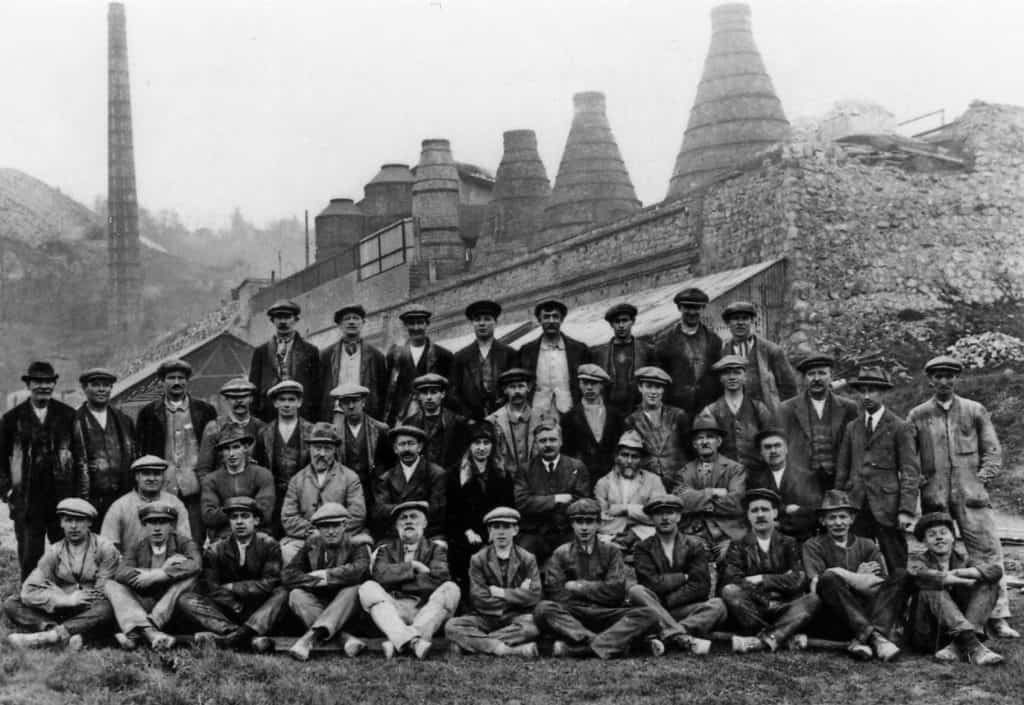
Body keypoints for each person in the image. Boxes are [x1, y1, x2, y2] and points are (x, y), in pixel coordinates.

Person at [907, 355, 1019, 639]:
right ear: (930, 380)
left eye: (949, 376)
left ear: (956, 378)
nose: (944, 381)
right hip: (935, 497)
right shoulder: (918, 414)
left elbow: (992, 449)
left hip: (972, 497)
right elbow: (908, 455)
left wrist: (981, 478)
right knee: (937, 551)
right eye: (938, 376)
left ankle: (998, 616)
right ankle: (942, 612)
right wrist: (919, 478)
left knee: (988, 552)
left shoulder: (974, 409)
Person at [533, 498, 659, 659]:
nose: (584, 527)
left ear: (599, 524)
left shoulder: (612, 551)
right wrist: (598, 590)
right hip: (574, 615)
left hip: (605, 613)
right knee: (543, 609)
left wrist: (579, 586)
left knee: (649, 614)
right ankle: (605, 643)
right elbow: (557, 593)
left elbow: (615, 590)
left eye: (589, 522)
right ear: (572, 524)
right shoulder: (561, 553)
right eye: (579, 522)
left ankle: (581, 649)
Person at [835, 366, 920, 575]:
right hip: (856, 505)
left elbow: (910, 471)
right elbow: (842, 469)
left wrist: (906, 510)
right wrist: (839, 504)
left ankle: (899, 602)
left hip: (887, 508)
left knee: (896, 562)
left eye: (872, 391)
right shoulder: (852, 428)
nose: (866, 396)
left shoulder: (900, 427)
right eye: (862, 391)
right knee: (856, 560)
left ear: (883, 393)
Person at [0, 361, 80, 579]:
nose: (43, 386)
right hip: (27, 500)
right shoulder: (12, 419)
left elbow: (79, 455)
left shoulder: (68, 415)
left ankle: (64, 596)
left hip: (60, 497)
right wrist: (7, 491)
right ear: (29, 385)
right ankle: (29, 599)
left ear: (54, 384)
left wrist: (76, 495)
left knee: (63, 552)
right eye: (38, 382)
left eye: (48, 382)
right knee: (30, 555)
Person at [177, 496, 288, 652]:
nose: (239, 522)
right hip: (228, 609)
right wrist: (235, 606)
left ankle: (233, 639)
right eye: (234, 517)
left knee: (282, 593)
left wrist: (233, 587)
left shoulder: (269, 545)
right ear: (229, 522)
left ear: (256, 521)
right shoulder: (215, 549)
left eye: (245, 516)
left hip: (259, 609)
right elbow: (211, 588)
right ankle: (241, 636)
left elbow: (269, 584)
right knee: (187, 599)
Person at [4, 498, 118, 650]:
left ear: (89, 522)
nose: (73, 526)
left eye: (79, 520)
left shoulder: (104, 548)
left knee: (108, 608)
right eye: (68, 520)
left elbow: (102, 592)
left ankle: (54, 635)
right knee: (12, 603)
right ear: (61, 523)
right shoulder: (54, 551)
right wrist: (66, 600)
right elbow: (29, 589)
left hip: (91, 607)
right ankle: (58, 631)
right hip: (62, 606)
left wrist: (79, 600)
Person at [801, 490, 902, 661]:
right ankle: (874, 638)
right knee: (828, 578)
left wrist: (849, 579)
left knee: (901, 575)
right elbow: (818, 585)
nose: (838, 522)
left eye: (843, 516)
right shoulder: (813, 546)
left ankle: (862, 638)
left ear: (852, 519)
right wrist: (858, 577)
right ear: (823, 521)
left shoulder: (867, 545)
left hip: (867, 609)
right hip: (835, 615)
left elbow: (879, 585)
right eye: (832, 518)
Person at [358, 501, 462, 660]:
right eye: (403, 518)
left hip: (425, 608)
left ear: (425, 523)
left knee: (451, 588)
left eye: (414, 517)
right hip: (394, 608)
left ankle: (399, 640)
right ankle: (415, 641)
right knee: (367, 587)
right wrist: (413, 567)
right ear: (396, 526)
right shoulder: (385, 550)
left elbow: (439, 578)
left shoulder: (436, 549)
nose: (408, 521)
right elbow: (379, 576)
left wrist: (397, 578)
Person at [720, 488, 820, 653]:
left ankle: (763, 639)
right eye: (754, 510)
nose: (760, 515)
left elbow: (798, 579)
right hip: (754, 608)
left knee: (812, 600)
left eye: (765, 509)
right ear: (748, 515)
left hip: (784, 606)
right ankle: (782, 635)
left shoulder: (789, 543)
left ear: (774, 513)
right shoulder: (738, 545)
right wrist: (774, 587)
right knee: (730, 591)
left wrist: (762, 579)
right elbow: (733, 579)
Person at [627, 494, 725, 654]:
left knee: (718, 605)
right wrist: (683, 577)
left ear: (679, 516)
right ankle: (684, 638)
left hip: (680, 609)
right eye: (659, 514)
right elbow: (650, 584)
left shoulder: (694, 545)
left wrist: (668, 600)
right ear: (651, 518)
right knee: (636, 591)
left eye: (670, 513)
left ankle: (669, 633)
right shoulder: (643, 548)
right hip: (654, 607)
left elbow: (700, 587)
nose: (665, 518)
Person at [904, 512, 1004, 665]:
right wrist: (960, 581)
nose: (939, 537)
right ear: (924, 541)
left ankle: (958, 645)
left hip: (957, 630)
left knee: (989, 584)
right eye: (931, 535)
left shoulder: (964, 560)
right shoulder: (917, 560)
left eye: (944, 533)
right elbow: (922, 575)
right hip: (928, 633)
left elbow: (996, 570)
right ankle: (973, 646)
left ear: (953, 538)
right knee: (931, 587)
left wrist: (961, 572)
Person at [135, 358, 217, 543]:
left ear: (188, 381)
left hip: (195, 488)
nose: (177, 382)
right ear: (162, 382)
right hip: (163, 487)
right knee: (163, 538)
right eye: (171, 378)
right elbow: (141, 452)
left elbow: (213, 450)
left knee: (194, 539)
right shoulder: (149, 413)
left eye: (181, 378)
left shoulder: (204, 410)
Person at [445, 506, 542, 657]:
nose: (501, 532)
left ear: (515, 530)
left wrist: (501, 593)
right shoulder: (478, 559)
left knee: (532, 627)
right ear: (490, 531)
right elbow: (479, 598)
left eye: (506, 527)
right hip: (485, 616)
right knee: (452, 626)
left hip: (515, 617)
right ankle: (506, 649)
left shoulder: (527, 558)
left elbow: (535, 595)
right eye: (496, 527)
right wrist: (518, 595)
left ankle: (471, 644)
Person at [105, 502, 201, 651]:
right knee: (111, 585)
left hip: (171, 606)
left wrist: (163, 574)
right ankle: (150, 633)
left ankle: (143, 631)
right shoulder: (137, 546)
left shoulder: (184, 543)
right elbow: (121, 572)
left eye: (163, 522)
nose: (157, 528)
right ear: (144, 525)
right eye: (151, 522)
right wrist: (153, 573)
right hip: (145, 602)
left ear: (171, 526)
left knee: (191, 577)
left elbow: (196, 563)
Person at [282, 502, 372, 661]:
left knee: (353, 590)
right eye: (324, 527)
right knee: (296, 595)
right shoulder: (312, 544)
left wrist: (326, 576)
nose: (331, 531)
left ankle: (307, 639)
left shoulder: (358, 544)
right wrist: (315, 579)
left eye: (335, 525)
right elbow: (288, 575)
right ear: (317, 529)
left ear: (344, 525)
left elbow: (359, 572)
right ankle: (344, 638)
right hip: (320, 605)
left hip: (348, 611)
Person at [445, 421, 515, 591]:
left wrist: (495, 531)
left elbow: (508, 508)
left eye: (486, 443)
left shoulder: (502, 474)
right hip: (465, 532)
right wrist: (467, 531)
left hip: (495, 529)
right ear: (469, 446)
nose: (481, 448)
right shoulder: (455, 474)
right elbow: (451, 512)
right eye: (476, 443)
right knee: (464, 556)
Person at [281, 423, 366, 562]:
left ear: (335, 451)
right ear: (309, 449)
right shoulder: (297, 480)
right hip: (306, 538)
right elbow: (288, 517)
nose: (322, 453)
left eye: (327, 448)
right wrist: (313, 532)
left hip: (341, 537)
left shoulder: (350, 477)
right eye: (317, 448)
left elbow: (357, 514)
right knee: (287, 551)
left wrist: (332, 532)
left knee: (360, 550)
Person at [777, 354, 858, 493]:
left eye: (822, 373)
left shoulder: (849, 407)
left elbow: (856, 446)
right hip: (801, 481)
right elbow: (782, 445)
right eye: (811, 374)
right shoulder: (787, 408)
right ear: (804, 379)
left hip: (838, 480)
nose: (816, 379)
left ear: (831, 376)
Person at [514, 420, 591, 564]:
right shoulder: (525, 470)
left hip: (566, 532)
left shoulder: (577, 467)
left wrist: (538, 501)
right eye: (542, 441)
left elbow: (582, 503)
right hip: (534, 533)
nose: (548, 444)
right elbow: (522, 503)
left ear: (561, 441)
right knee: (521, 560)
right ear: (536, 444)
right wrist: (556, 499)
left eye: (552, 440)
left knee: (579, 561)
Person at [673, 416, 747, 563]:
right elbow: (680, 502)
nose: (705, 442)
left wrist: (698, 501)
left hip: (727, 532)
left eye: (710, 437)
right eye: (700, 438)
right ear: (694, 444)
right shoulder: (684, 472)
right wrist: (711, 493)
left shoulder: (735, 469)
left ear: (719, 442)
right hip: (694, 532)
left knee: (731, 558)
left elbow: (736, 502)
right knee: (695, 558)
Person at [71, 367, 137, 526]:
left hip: (121, 498)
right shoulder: (73, 421)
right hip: (88, 500)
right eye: (95, 384)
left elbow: (134, 458)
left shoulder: (124, 421)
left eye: (106, 385)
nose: (102, 389)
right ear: (85, 388)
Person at [252, 380, 313, 536]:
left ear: (299, 402)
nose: (287, 404)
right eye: (282, 399)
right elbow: (257, 468)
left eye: (291, 400)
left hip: (303, 494)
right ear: (275, 403)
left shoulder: (311, 431)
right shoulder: (264, 433)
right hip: (274, 497)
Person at [698, 355, 775, 471]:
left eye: (737, 372)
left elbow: (771, 440)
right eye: (727, 373)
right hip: (723, 474)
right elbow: (705, 448)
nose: (732, 377)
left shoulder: (759, 408)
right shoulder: (710, 411)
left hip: (758, 473)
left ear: (745, 377)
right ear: (720, 378)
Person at [747, 429, 824, 543]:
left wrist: (777, 524)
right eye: (767, 447)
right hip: (767, 540)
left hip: (801, 540)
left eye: (777, 445)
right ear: (761, 453)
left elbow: (813, 515)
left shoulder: (807, 477)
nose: (773, 451)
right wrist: (788, 510)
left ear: (786, 449)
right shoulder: (754, 480)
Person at [249, 299, 320, 422]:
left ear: (296, 319)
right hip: (269, 414)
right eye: (278, 317)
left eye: (287, 317)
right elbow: (254, 387)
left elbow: (316, 389)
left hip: (302, 414)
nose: (283, 321)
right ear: (272, 320)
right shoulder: (261, 351)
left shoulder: (310, 351)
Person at [719, 301, 797, 414]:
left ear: (752, 321)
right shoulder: (722, 353)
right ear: (728, 323)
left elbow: (789, 388)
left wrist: (786, 416)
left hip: (767, 415)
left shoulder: (771, 350)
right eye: (735, 318)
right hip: (735, 415)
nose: (740, 323)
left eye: (745, 318)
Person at [655, 288, 723, 416]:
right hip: (675, 410)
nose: (692, 312)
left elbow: (718, 376)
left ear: (703, 308)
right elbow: (660, 379)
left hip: (707, 409)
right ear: (679, 308)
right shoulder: (664, 341)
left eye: (696, 308)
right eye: (687, 307)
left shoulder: (714, 340)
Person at [101, 455, 191, 552]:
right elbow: (108, 546)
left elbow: (185, 541)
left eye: (157, 474)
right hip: (130, 564)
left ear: (163, 477)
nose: (152, 478)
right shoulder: (120, 506)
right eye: (146, 474)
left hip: (168, 564)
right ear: (137, 477)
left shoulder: (175, 503)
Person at [201, 424, 276, 540]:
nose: (231, 454)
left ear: (245, 448)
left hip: (257, 534)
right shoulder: (211, 480)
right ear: (221, 452)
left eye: (236, 447)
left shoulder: (262, 474)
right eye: (226, 448)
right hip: (224, 536)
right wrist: (248, 508)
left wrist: (228, 509)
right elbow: (208, 516)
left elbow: (265, 514)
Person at [593, 431, 666, 550]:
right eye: (625, 455)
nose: (629, 461)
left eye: (635, 456)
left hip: (645, 534)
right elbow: (600, 523)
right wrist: (640, 514)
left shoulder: (654, 481)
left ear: (642, 459)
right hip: (611, 537)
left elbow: (660, 516)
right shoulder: (603, 483)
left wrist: (626, 509)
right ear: (616, 457)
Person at [518, 299, 593, 415]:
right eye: (546, 317)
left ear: (562, 319)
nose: (551, 321)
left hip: (571, 410)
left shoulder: (579, 349)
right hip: (536, 410)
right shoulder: (526, 351)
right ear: (539, 320)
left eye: (555, 316)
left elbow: (590, 382)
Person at [450, 300, 520, 421]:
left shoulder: (510, 354)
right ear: (472, 323)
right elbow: (454, 393)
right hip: (472, 420)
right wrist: (466, 417)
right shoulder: (460, 357)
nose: (482, 323)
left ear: (495, 323)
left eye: (487, 319)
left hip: (505, 418)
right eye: (477, 320)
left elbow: (516, 387)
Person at [372, 425, 446, 539]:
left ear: (420, 447)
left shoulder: (436, 474)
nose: (406, 449)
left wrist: (399, 508)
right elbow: (380, 511)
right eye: (402, 444)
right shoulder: (386, 478)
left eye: (411, 444)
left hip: (428, 535)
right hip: (396, 535)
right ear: (395, 449)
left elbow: (437, 510)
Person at [383, 308, 454, 425]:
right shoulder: (394, 355)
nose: (416, 328)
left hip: (432, 416)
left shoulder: (443, 355)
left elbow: (449, 391)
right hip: (400, 417)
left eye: (420, 323)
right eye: (411, 323)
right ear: (405, 326)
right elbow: (388, 390)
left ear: (427, 324)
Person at [623, 366, 689, 492]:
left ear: (663, 389)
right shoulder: (631, 420)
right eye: (648, 386)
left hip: (679, 481)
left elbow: (689, 450)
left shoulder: (678, 415)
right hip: (647, 484)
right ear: (640, 388)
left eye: (658, 387)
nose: (653, 392)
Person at [329, 382, 392, 513]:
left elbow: (390, 464)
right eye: (346, 402)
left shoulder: (380, 429)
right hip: (346, 491)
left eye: (355, 401)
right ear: (340, 406)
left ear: (363, 402)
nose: (351, 406)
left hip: (374, 491)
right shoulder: (334, 432)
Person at [318, 304, 388, 421]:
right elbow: (319, 390)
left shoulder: (376, 355)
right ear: (339, 325)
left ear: (363, 323)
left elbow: (382, 391)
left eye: (356, 318)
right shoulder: (326, 355)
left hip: (366, 415)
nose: (351, 322)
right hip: (336, 414)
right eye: (347, 319)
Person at [560, 364, 624, 488]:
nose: (589, 387)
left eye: (594, 383)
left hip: (611, 476)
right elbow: (566, 453)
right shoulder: (569, 417)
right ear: (579, 385)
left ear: (602, 385)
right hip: (581, 477)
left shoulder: (615, 415)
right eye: (585, 383)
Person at [590, 303, 656, 418]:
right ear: (611, 324)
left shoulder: (647, 350)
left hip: (639, 411)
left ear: (633, 321)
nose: (621, 325)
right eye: (617, 321)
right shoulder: (599, 353)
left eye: (625, 320)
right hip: (609, 412)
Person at [195, 377, 265, 479]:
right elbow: (204, 469)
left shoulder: (261, 428)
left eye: (244, 396)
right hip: (222, 489)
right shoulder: (214, 428)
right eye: (233, 397)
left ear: (251, 398)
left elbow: (267, 467)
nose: (239, 401)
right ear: (226, 399)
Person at [487, 369, 552, 477]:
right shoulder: (492, 421)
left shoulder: (543, 418)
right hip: (505, 481)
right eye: (512, 387)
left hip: (537, 479)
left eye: (521, 386)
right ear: (505, 390)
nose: (517, 391)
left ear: (528, 388)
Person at [402, 373, 469, 470]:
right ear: (419, 396)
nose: (429, 397)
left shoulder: (458, 423)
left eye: (434, 392)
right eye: (424, 393)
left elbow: (463, 457)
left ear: (443, 394)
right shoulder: (410, 424)